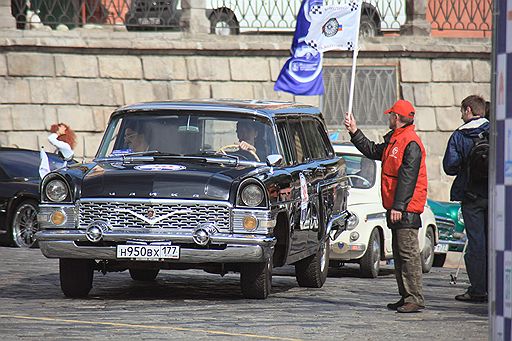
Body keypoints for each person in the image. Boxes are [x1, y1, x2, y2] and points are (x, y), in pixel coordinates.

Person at [344, 99, 428, 313]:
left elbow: (408, 178)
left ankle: (414, 297)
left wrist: (399, 207)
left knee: (408, 254)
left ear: (397, 118)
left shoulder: (410, 142)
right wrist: (355, 132)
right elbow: (372, 150)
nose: (389, 117)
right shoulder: (396, 140)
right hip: (397, 206)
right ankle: (406, 295)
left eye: (391, 115)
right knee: (400, 255)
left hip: (406, 208)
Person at [442, 95, 489, 303]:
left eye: (462, 111)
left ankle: (479, 289)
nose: (461, 115)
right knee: (497, 242)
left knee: (476, 243)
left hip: (472, 196)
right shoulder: (494, 130)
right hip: (496, 195)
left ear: (468, 110)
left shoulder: (459, 135)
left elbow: (449, 167)